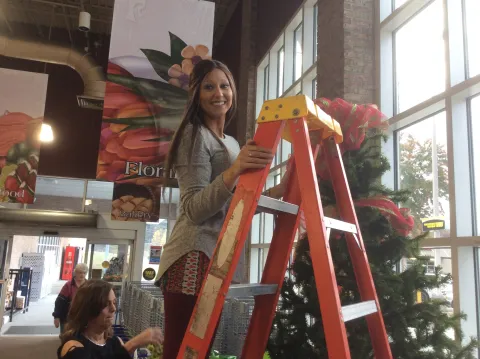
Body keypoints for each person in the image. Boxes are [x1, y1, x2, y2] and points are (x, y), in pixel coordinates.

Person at [154, 59, 288, 358]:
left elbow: (233, 208)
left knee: (199, 350)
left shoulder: (231, 142)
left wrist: (276, 193)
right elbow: (194, 209)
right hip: (193, 256)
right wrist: (234, 170)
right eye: (209, 86)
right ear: (196, 94)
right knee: (181, 351)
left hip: (218, 255)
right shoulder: (193, 134)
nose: (219, 93)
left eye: (224, 85)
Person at [57, 279, 163, 359]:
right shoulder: (74, 347)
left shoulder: (115, 342)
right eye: (106, 304)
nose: (113, 309)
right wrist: (132, 344)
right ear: (89, 309)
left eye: (114, 302)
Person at [53, 263, 88, 333]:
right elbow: (59, 301)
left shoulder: (88, 285)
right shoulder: (69, 285)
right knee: (66, 338)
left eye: (84, 273)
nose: (82, 275)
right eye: (80, 273)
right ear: (75, 273)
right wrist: (56, 317)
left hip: (83, 318)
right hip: (67, 318)